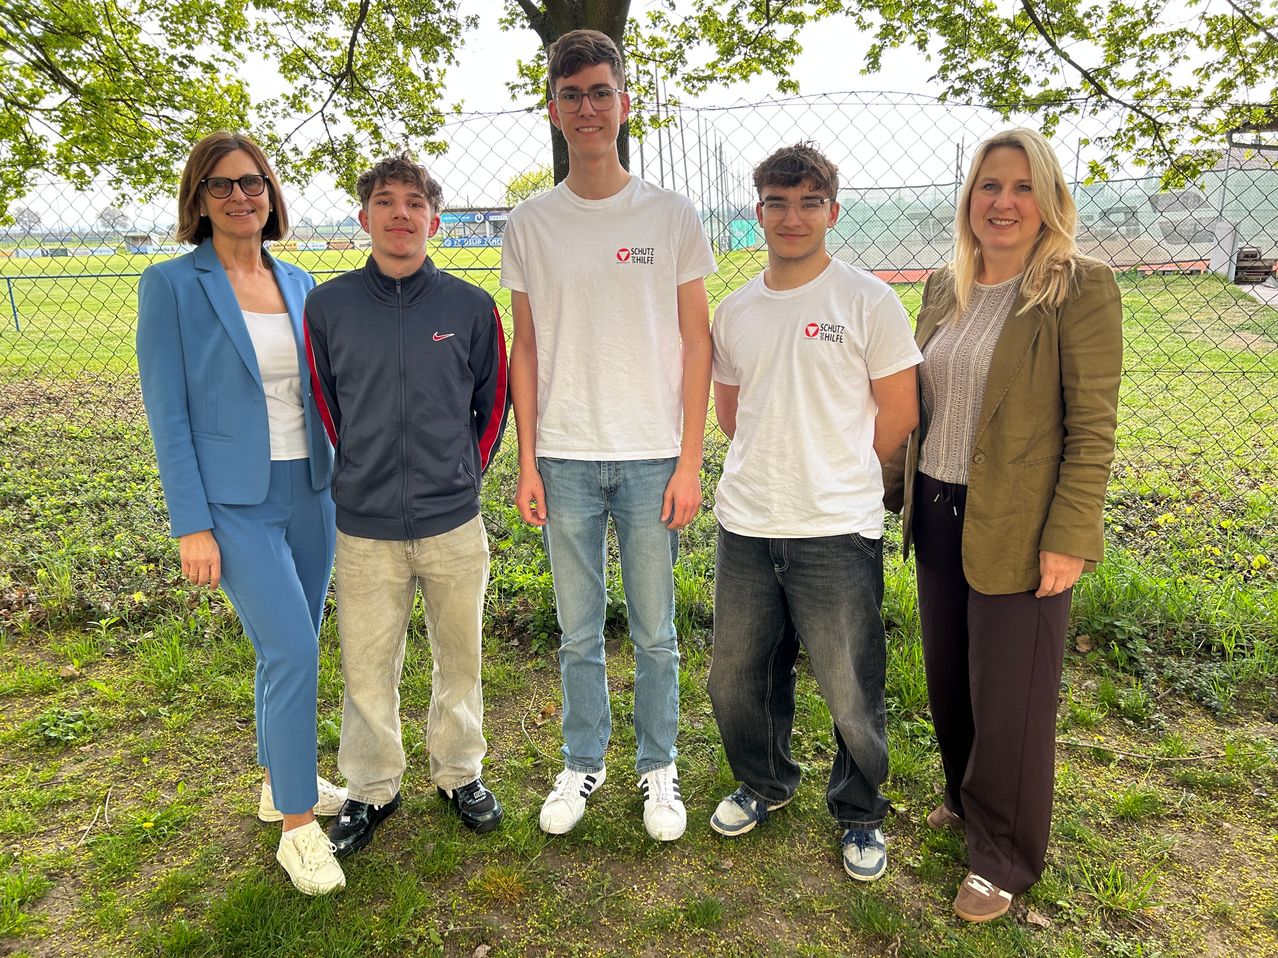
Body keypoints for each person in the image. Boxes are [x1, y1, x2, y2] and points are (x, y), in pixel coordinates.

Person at [888, 128, 1122, 921]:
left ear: (1050, 199)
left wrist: (1070, 534)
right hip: (940, 511)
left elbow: (1092, 428)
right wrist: (892, 492)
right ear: (970, 198)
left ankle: (1004, 856)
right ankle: (963, 798)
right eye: (990, 186)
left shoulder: (1077, 288)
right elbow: (917, 407)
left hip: (1023, 525)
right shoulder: (943, 286)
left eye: (1023, 187)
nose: (1004, 202)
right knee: (952, 677)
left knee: (1013, 697)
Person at [501, 28, 715, 842]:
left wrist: (690, 460)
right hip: (564, 456)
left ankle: (658, 767)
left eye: (600, 92)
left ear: (624, 104)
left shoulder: (670, 214)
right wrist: (526, 459)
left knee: (657, 633)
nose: (587, 108)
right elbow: (526, 346)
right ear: (552, 110)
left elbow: (698, 343)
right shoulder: (530, 224)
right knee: (578, 631)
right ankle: (583, 758)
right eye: (570, 94)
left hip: (654, 452)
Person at [136, 132, 346, 895]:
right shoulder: (171, 286)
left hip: (310, 489)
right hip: (233, 502)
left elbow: (321, 392)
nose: (239, 197)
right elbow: (169, 414)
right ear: (199, 199)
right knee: (292, 648)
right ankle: (297, 825)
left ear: (271, 193)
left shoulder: (299, 279)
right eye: (221, 185)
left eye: (252, 183)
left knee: (293, 643)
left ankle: (277, 780)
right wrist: (191, 523)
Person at [707, 143, 921, 882]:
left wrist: (835, 470)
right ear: (757, 210)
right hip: (748, 521)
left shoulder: (868, 301)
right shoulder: (734, 311)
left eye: (807, 202)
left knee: (850, 682)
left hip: (835, 525)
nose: (791, 216)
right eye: (776, 201)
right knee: (736, 676)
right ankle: (764, 782)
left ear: (832, 209)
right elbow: (732, 417)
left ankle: (860, 811)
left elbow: (897, 415)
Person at [305, 153, 510, 858]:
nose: (400, 213)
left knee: (460, 655)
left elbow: (494, 403)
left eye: (414, 202)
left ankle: (459, 772)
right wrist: (361, 472)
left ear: (435, 220)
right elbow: (329, 407)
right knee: (366, 663)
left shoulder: (471, 307)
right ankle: (369, 787)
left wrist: (462, 475)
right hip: (364, 526)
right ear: (364, 218)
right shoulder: (328, 306)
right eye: (385, 202)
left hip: (453, 519)